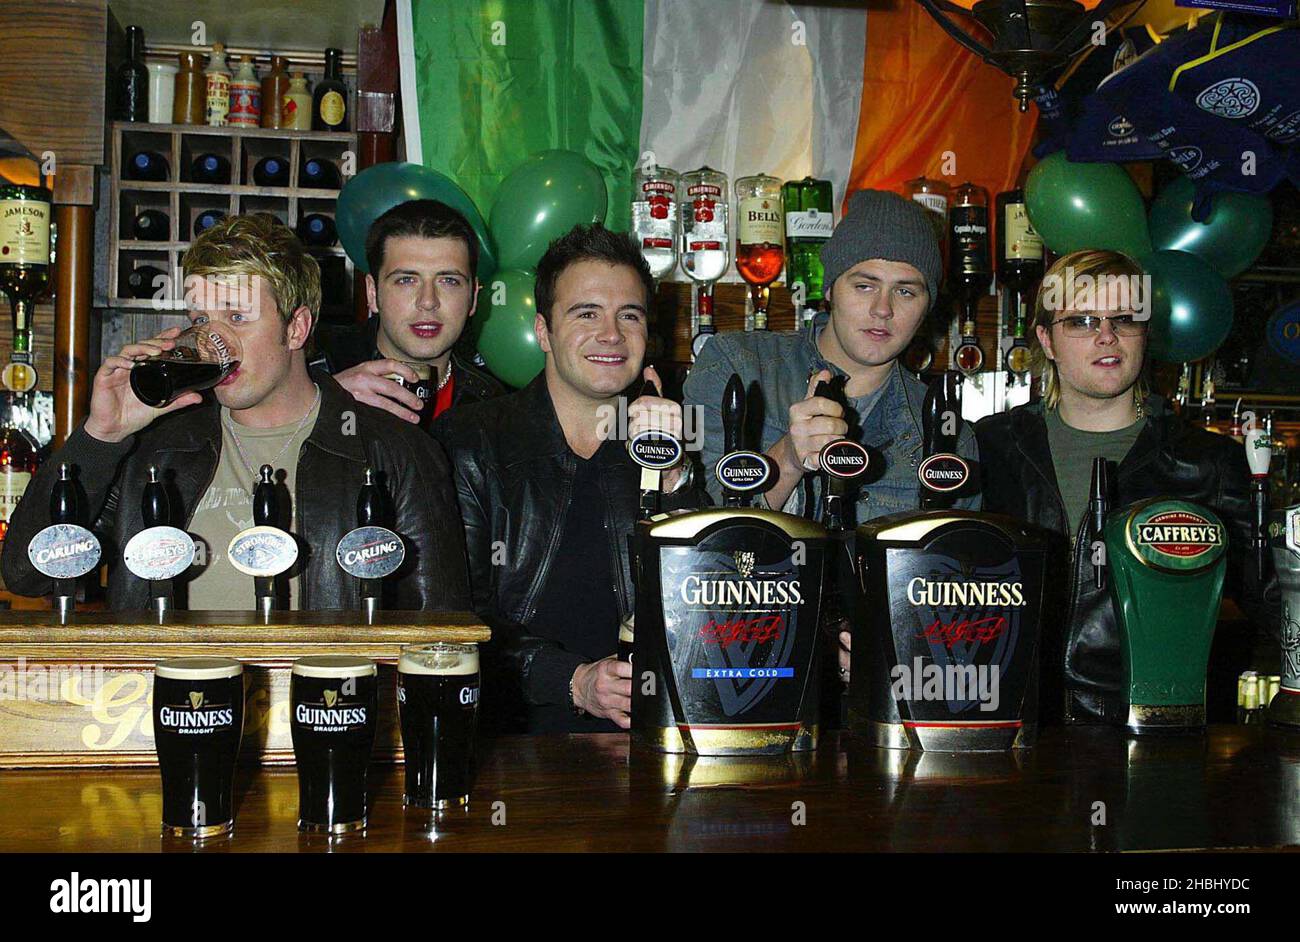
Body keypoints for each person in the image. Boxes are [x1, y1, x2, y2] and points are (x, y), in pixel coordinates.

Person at [1, 213, 470, 611]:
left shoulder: (392, 453)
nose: (212, 339)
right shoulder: (157, 451)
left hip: (321, 711)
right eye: (202, 320)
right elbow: (27, 572)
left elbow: (438, 637)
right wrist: (101, 436)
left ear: (296, 327)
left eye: (238, 318)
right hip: (166, 712)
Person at [683, 189, 979, 686]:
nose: (883, 309)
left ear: (928, 305)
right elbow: (694, 546)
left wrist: (901, 642)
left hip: (880, 704)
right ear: (831, 289)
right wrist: (789, 460)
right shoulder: (738, 368)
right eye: (864, 285)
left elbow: (961, 594)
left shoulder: (947, 436)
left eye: (907, 291)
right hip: (737, 673)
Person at [975, 248, 1277, 724]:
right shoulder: (988, 447)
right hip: (1008, 729)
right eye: (1081, 321)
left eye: (1124, 319)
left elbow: (1276, 608)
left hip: (1152, 737)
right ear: (1046, 340)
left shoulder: (1207, 462)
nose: (1106, 336)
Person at [434, 223, 697, 733]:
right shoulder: (471, 441)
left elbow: (707, 606)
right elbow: (453, 620)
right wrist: (572, 681)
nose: (611, 335)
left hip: (649, 746)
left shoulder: (663, 447)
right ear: (542, 330)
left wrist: (674, 476)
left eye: (630, 316)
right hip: (510, 747)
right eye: (586, 314)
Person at [313, 199, 504, 423]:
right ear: (372, 293)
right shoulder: (312, 370)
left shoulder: (493, 407)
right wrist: (318, 407)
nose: (428, 301)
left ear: (473, 298)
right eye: (406, 280)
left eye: (449, 281)